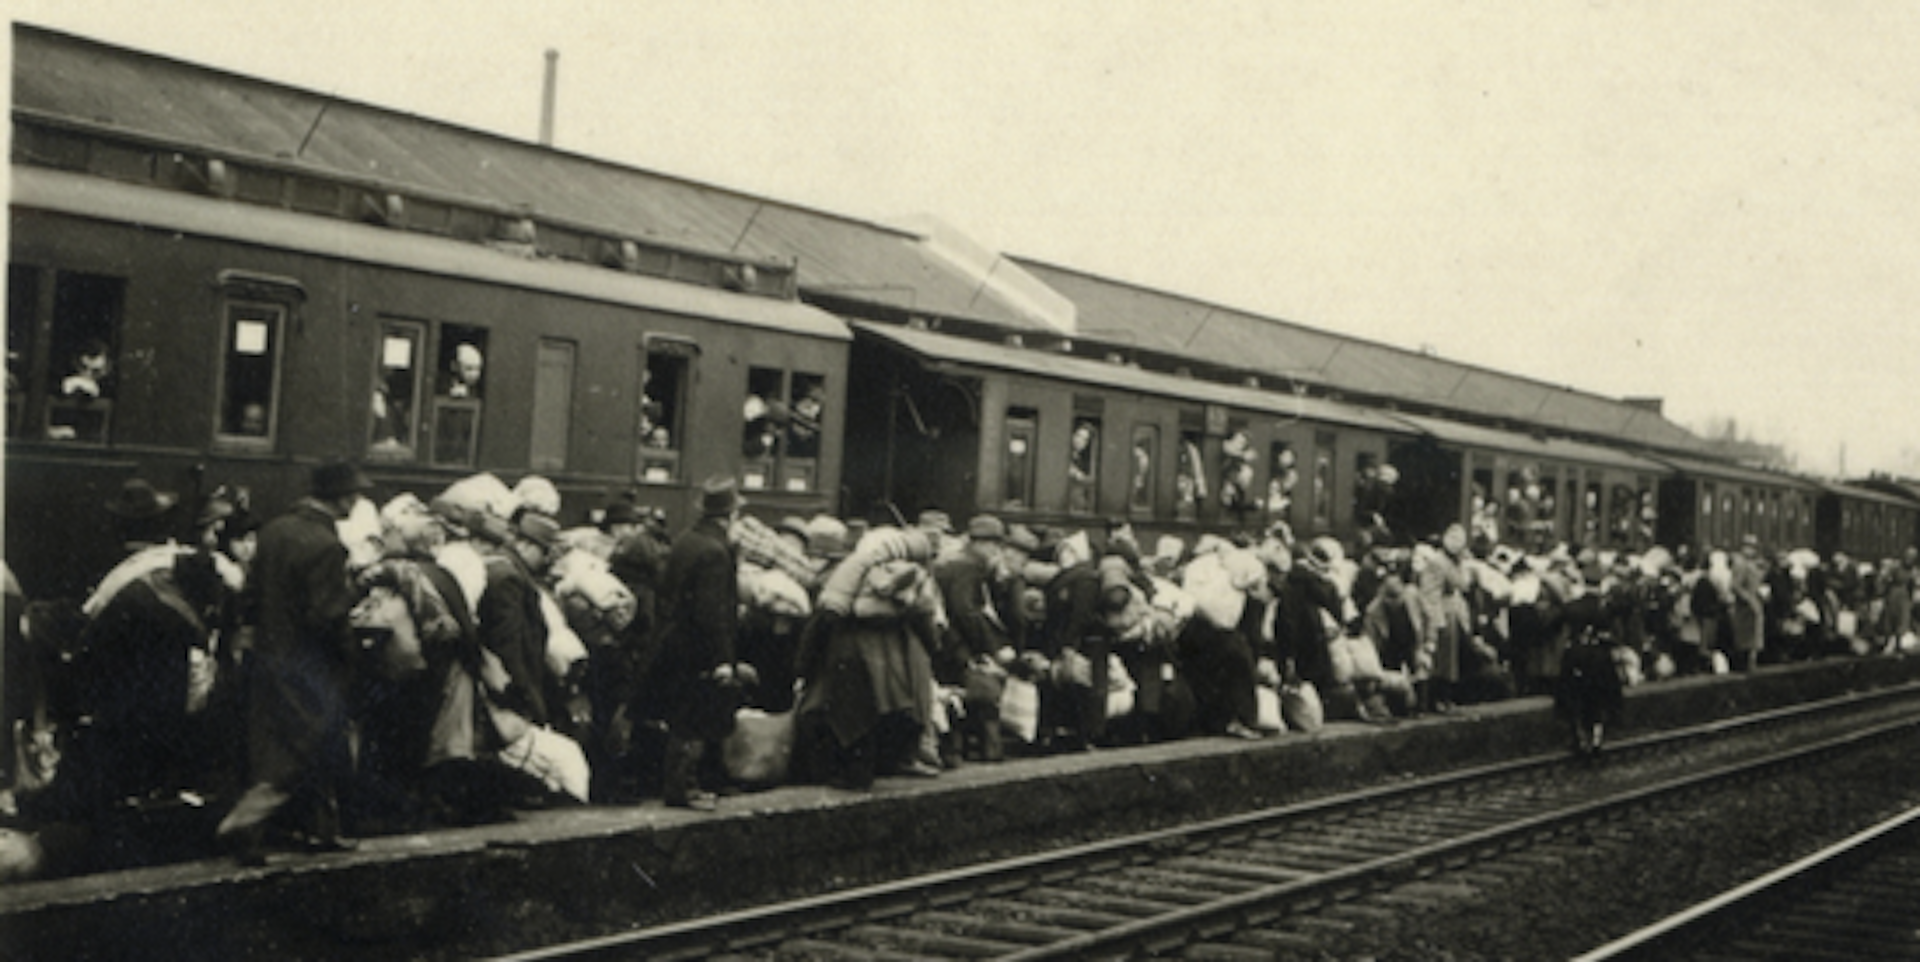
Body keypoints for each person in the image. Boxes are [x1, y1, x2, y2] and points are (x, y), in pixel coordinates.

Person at [216, 460, 374, 863]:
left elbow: (250, 597)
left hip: (268, 656)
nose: (357, 501)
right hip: (309, 664)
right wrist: (351, 645)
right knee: (309, 743)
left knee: (286, 744)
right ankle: (244, 823)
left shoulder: (274, 531)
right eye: (353, 494)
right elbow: (326, 616)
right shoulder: (326, 546)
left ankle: (322, 830)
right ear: (339, 497)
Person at [647, 476, 753, 810]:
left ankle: (682, 786)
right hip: (698, 649)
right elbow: (712, 612)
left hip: (675, 642)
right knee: (694, 719)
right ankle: (684, 789)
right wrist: (722, 658)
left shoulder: (686, 540)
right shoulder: (715, 551)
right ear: (730, 514)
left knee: (682, 715)